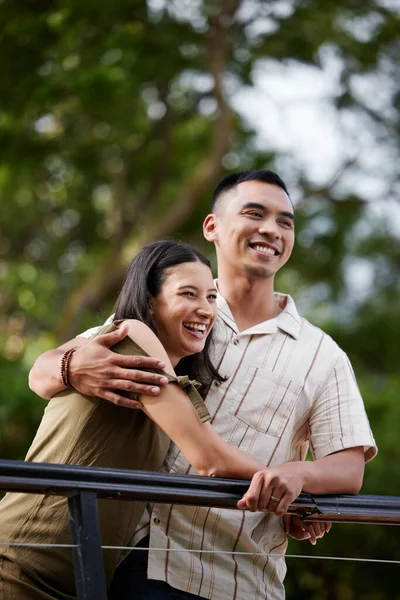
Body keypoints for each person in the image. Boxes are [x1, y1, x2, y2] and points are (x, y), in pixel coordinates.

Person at [29, 170, 377, 600]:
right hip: (137, 564)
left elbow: (348, 469)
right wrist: (71, 365)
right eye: (254, 213)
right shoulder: (173, 310)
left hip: (244, 580)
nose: (271, 229)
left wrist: (294, 480)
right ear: (212, 227)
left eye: (285, 222)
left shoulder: (323, 355)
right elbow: (43, 372)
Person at [0, 240, 273, 600]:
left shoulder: (173, 387)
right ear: (149, 301)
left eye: (210, 297)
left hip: (81, 582)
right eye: (188, 293)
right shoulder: (131, 336)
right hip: (20, 564)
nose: (205, 309)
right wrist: (287, 486)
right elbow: (210, 458)